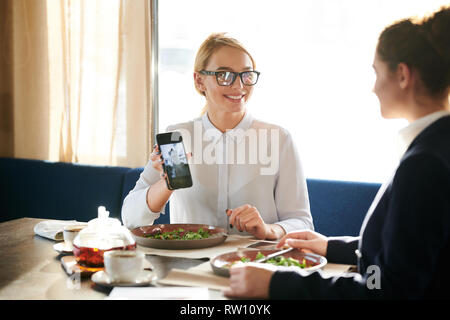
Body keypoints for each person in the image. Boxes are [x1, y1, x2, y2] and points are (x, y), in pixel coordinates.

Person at [224, 6, 450, 298]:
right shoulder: (437, 147)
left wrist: (276, 284)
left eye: (376, 72)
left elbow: (388, 288)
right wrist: (331, 247)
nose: (373, 88)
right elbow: (411, 251)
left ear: (403, 75)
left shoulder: (424, 164)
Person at [121, 33, 313, 240]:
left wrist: (267, 229)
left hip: (254, 265)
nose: (239, 86)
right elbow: (131, 218)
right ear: (199, 80)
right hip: (188, 263)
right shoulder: (178, 136)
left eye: (246, 75)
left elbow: (302, 222)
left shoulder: (278, 139)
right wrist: (167, 184)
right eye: (224, 75)